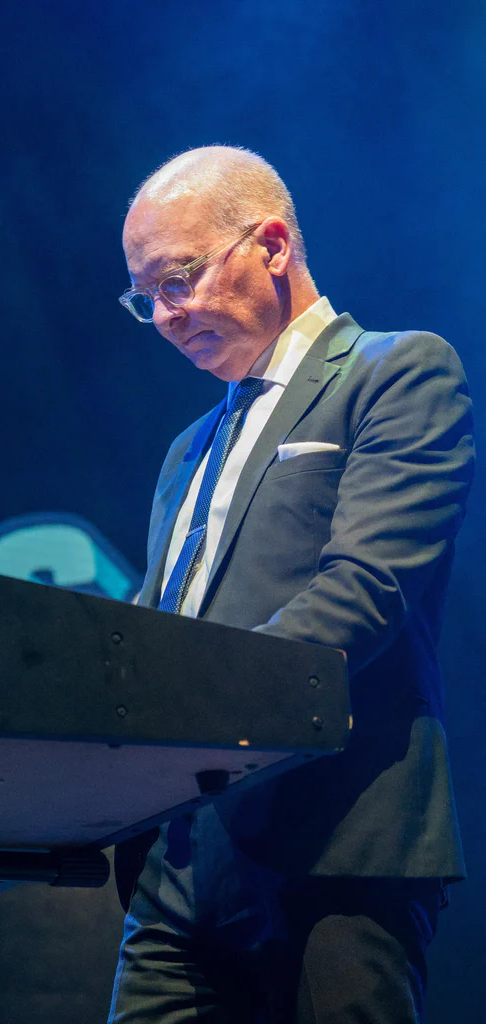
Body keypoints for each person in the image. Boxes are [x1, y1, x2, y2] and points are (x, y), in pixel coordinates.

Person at [109, 145, 474, 1024]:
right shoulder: (186, 448)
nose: (164, 316)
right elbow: (157, 623)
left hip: (336, 843)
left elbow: (366, 590)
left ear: (271, 245)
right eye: (144, 296)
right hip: (180, 863)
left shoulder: (398, 371)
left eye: (178, 280)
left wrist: (184, 710)